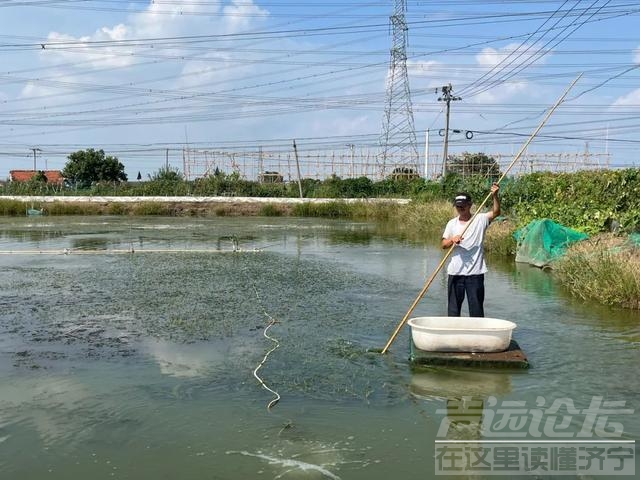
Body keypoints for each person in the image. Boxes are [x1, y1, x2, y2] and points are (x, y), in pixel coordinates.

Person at [441, 184, 500, 317]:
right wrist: (452, 240)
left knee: (476, 310)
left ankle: (476, 333)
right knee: (453, 310)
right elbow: (443, 244)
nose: (460, 208)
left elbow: (496, 212)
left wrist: (495, 196)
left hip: (475, 273)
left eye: (463, 205)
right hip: (455, 272)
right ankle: (454, 332)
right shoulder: (452, 223)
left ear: (470, 205)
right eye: (458, 206)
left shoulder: (480, 219)